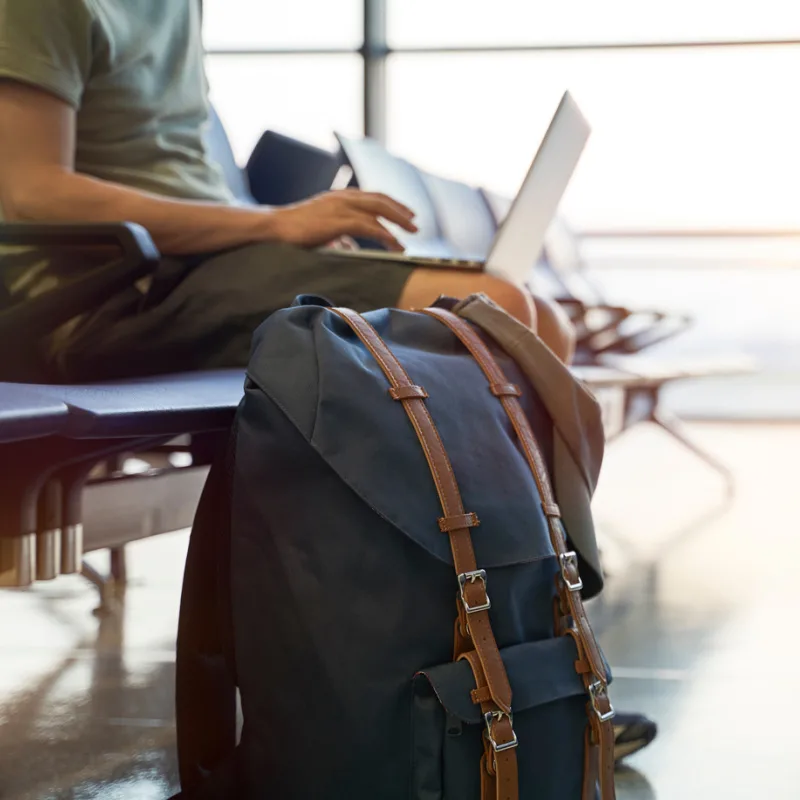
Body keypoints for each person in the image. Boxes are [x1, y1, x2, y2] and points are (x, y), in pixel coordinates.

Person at [0, 0, 654, 762]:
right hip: (100, 293)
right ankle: (508, 675)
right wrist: (274, 229)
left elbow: (181, 177)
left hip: (198, 269)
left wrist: (301, 237)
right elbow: (28, 191)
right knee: (496, 310)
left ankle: (540, 667)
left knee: (535, 318)